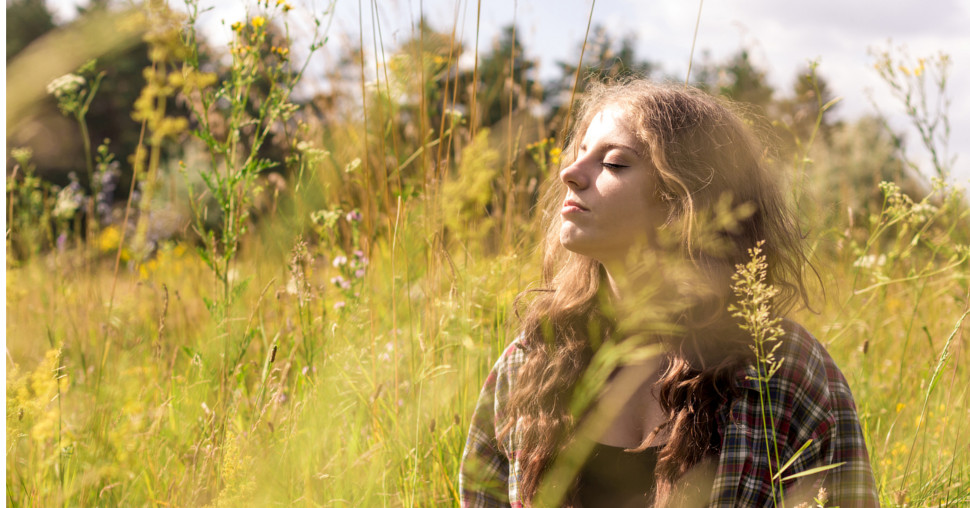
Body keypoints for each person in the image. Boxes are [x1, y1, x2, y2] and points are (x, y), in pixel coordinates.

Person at [459, 80, 878, 507]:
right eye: (580, 151)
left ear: (682, 200)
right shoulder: (533, 360)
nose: (570, 172)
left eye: (615, 163)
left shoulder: (783, 369)